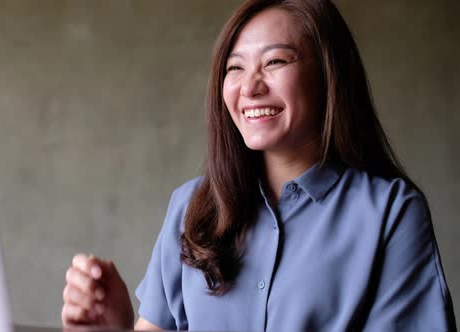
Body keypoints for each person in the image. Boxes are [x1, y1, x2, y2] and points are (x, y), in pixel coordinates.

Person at [61, 0, 457, 330]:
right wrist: (112, 326)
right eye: (235, 68)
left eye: (275, 62)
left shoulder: (391, 213)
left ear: (328, 76)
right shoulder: (190, 206)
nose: (250, 87)